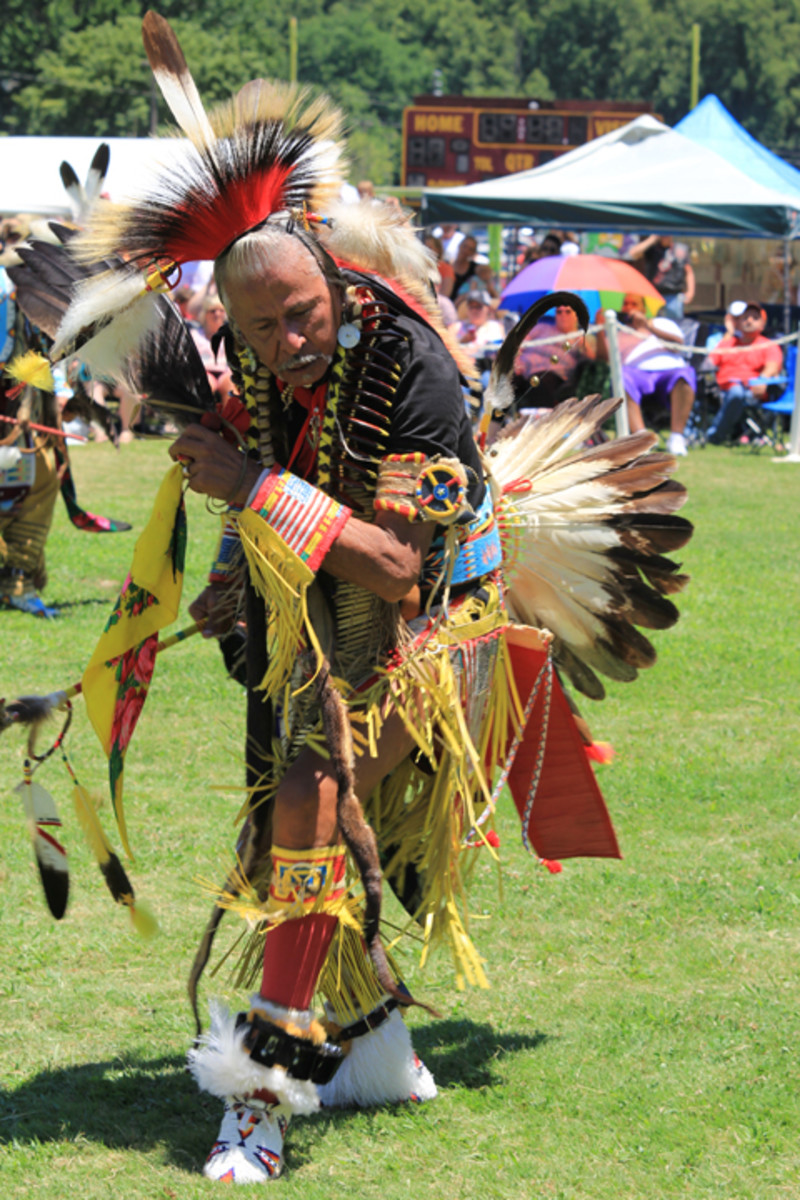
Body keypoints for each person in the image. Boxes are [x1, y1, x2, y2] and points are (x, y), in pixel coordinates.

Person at [40, 14, 694, 1185]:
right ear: (229, 322)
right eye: (258, 329)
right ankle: (379, 1045)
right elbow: (286, 473)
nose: (288, 342)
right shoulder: (255, 361)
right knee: (300, 815)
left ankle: (257, 1105)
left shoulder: (414, 369)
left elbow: (398, 567)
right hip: (324, 609)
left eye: (302, 315)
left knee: (310, 798)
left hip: (444, 614)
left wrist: (251, 489)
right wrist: (240, 573)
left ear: (327, 275)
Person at [596, 294, 696, 455]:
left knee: (685, 375)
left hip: (669, 373)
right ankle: (641, 439)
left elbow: (678, 345)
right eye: (626, 304)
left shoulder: (661, 323)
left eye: (633, 303)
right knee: (620, 376)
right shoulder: (620, 332)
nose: (629, 308)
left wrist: (648, 326)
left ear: (643, 309)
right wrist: (602, 329)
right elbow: (604, 358)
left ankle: (677, 437)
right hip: (637, 374)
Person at [705, 300, 783, 443]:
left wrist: (762, 380)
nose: (749, 320)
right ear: (738, 322)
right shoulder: (727, 343)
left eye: (755, 317)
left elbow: (773, 366)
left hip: (750, 391)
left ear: (763, 324)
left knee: (737, 392)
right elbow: (708, 363)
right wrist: (730, 332)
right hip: (719, 390)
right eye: (745, 317)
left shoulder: (767, 345)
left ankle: (715, 435)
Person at [514, 302, 593, 408]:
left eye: (568, 312)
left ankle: (540, 420)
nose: (563, 315)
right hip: (522, 370)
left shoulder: (580, 338)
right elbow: (518, 345)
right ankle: (492, 422)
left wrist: (583, 343)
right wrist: (516, 360)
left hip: (551, 375)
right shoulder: (541, 327)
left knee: (540, 381)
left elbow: (591, 360)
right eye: (559, 312)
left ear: (576, 316)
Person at [627, 235, 695, 321]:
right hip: (654, 295)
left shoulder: (680, 249)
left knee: (674, 325)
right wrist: (652, 239)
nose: (665, 236)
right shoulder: (653, 249)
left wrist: (690, 292)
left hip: (674, 296)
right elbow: (633, 253)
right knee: (652, 324)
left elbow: (688, 271)